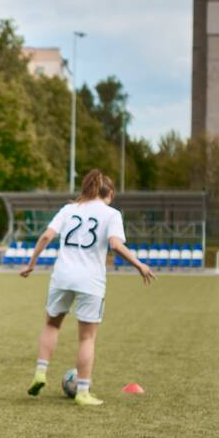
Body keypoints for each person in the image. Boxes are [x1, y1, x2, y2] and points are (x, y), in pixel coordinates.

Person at [20, 168, 154, 406]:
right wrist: (139, 265)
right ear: (109, 193)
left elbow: (46, 236)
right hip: (90, 280)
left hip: (62, 276)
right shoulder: (111, 214)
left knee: (51, 325)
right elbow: (115, 245)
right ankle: (83, 391)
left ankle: (40, 372)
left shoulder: (68, 209)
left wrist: (31, 264)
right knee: (87, 338)